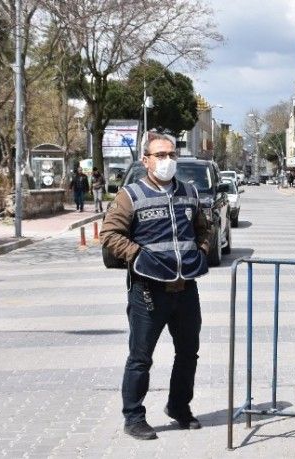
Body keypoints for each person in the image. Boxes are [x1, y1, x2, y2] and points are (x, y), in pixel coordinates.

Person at [100, 134, 211, 441]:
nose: (167, 160)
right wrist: (137, 255)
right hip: (147, 292)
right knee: (140, 357)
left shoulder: (189, 191)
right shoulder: (130, 195)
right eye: (160, 155)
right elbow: (109, 235)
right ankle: (133, 416)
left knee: (188, 352)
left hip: (185, 289)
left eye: (171, 154)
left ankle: (179, 407)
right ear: (146, 160)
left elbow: (203, 228)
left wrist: (201, 251)